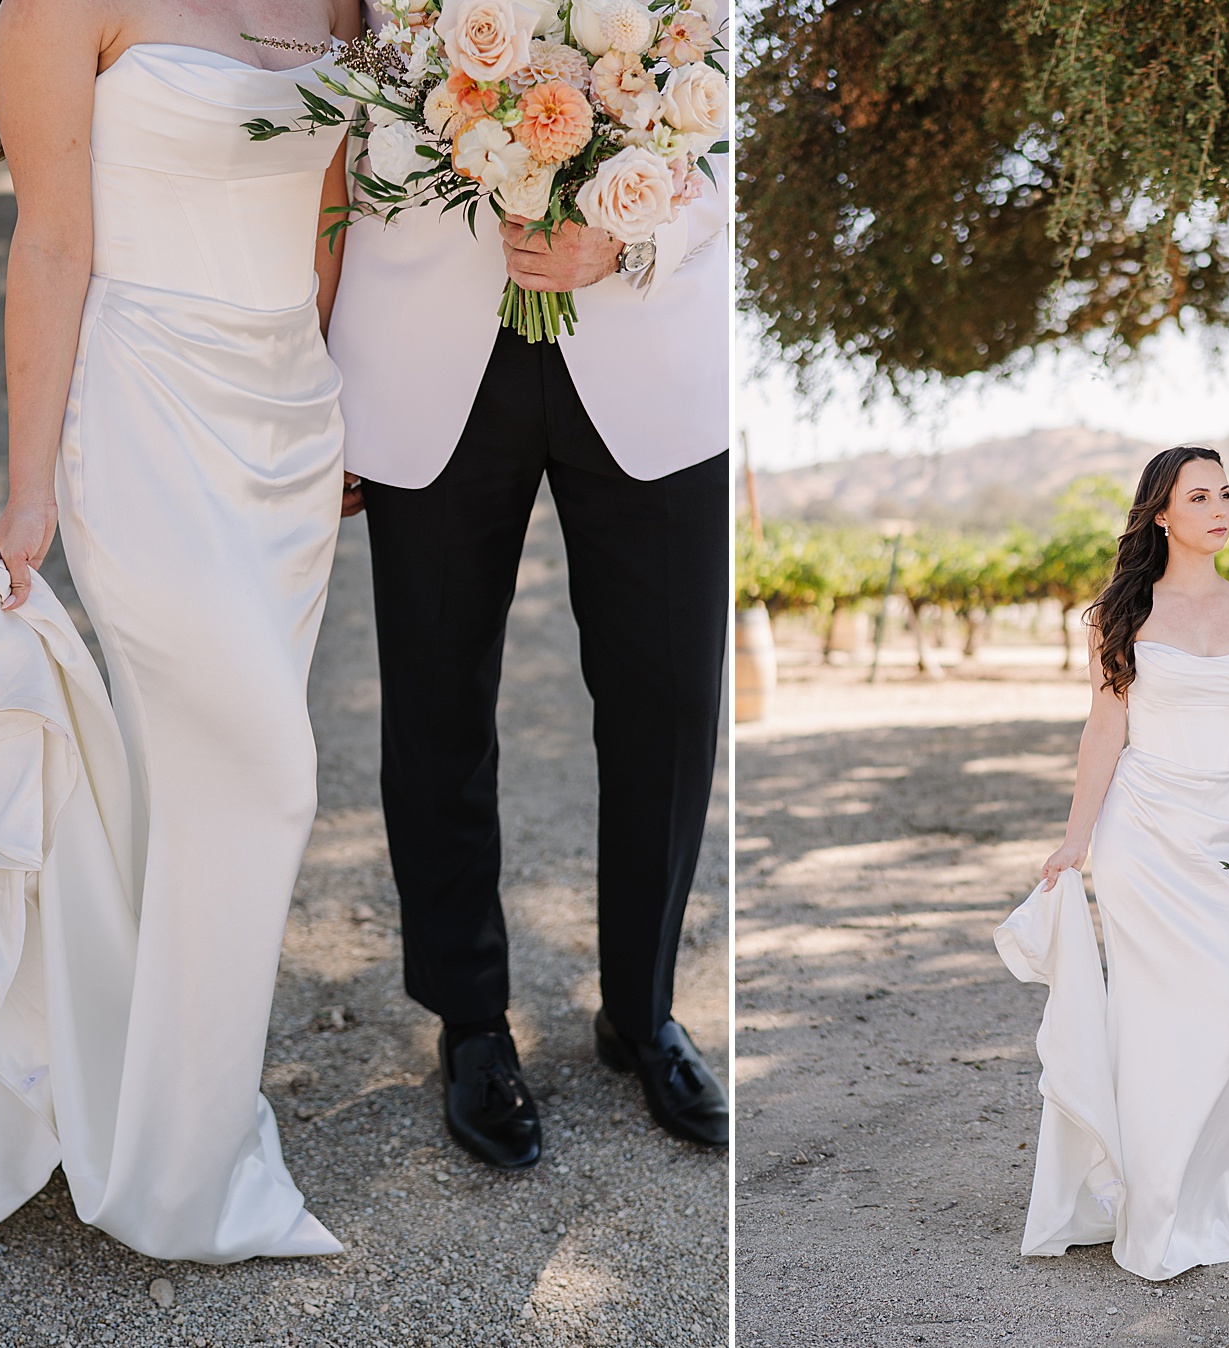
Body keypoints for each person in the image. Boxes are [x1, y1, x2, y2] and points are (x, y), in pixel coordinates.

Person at [0, 0, 361, 1261]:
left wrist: (343, 390)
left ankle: (173, 1109)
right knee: (269, 778)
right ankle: (181, 1183)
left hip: (292, 427)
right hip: (146, 412)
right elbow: (52, 247)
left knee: (204, 794)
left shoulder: (340, 1)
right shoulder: (60, 9)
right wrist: (28, 493)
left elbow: (335, 213)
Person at [325, 3, 731, 1167]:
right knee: (438, 697)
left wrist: (635, 234)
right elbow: (341, 131)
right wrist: (316, 378)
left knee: (666, 699)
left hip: (652, 351)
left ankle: (641, 1009)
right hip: (422, 356)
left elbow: (741, 141)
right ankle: (469, 1024)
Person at [1011, 445, 1229, 1280]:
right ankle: (1155, 1211)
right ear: (1162, 513)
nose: (1220, 507)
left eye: (1226, 493)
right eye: (1199, 495)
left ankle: (1202, 1201)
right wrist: (1077, 839)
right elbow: (1104, 730)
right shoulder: (1119, 614)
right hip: (1146, 836)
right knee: (1154, 1023)